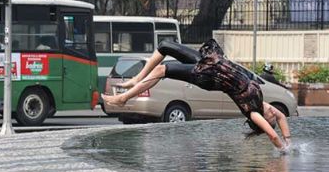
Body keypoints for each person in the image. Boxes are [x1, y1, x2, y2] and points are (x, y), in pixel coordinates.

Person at [102, 39, 292, 150]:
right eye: (272, 115)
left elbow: (273, 137)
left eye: (270, 118)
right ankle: (137, 79)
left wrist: (284, 149)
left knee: (162, 70)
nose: (273, 113)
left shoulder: (254, 113)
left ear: (264, 121)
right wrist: (289, 139)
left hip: (209, 77)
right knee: (165, 45)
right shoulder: (264, 105)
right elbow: (282, 117)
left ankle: (123, 98)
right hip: (213, 62)